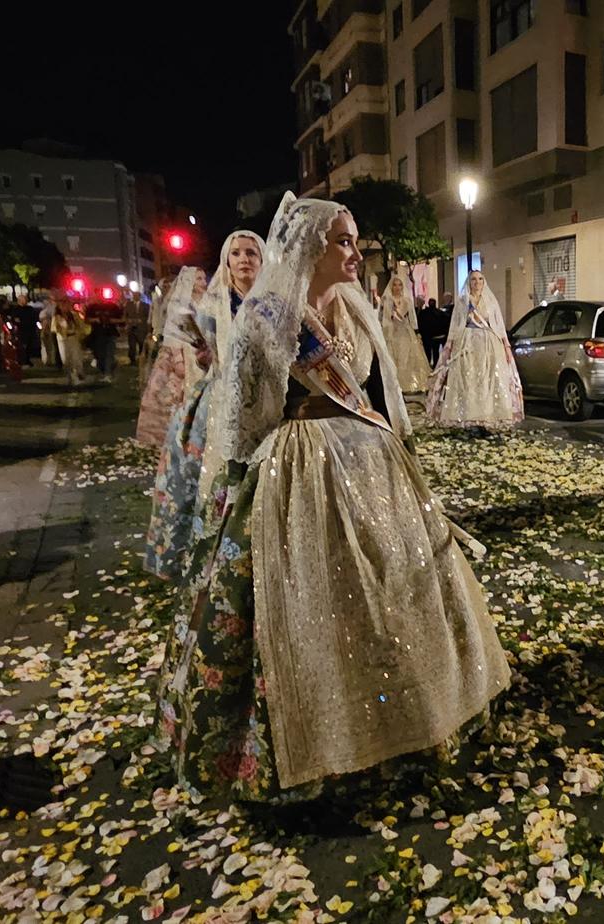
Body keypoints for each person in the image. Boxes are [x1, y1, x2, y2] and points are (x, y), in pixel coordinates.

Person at [157, 193, 510, 804]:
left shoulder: (351, 305)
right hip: (298, 472)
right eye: (344, 241)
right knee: (314, 601)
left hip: (367, 462)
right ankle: (320, 749)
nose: (356, 251)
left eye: (355, 240)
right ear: (311, 247)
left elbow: (374, 385)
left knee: (394, 591)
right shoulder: (267, 314)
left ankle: (408, 722)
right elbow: (245, 419)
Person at [144, 230, 265, 581]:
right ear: (227, 261)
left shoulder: (270, 303)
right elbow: (208, 359)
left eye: (251, 253)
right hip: (218, 399)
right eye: (237, 253)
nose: (244, 260)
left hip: (259, 401)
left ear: (262, 260)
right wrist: (205, 354)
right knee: (205, 480)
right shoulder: (213, 304)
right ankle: (205, 556)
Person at [427, 272, 524, 429]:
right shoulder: (463, 301)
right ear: (469, 282)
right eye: (473, 279)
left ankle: (487, 415)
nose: (477, 282)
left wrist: (506, 346)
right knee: (469, 378)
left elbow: (498, 324)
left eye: (480, 279)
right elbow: (455, 324)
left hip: (488, 344)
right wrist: (450, 344)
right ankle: (469, 416)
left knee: (488, 379)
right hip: (468, 343)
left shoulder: (490, 301)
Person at [135, 269, 208, 446]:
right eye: (199, 279)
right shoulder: (179, 304)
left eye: (204, 278)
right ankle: (179, 436)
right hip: (182, 354)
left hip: (201, 354)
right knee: (179, 399)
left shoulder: (207, 302)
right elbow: (173, 335)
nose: (203, 282)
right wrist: (179, 360)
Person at [380, 273, 433, 393]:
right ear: (391, 286)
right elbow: (383, 318)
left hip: (405, 332)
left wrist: (416, 332)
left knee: (406, 358)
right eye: (395, 285)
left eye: (400, 285)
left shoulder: (407, 301)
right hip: (391, 333)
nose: (397, 287)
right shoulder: (387, 300)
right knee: (392, 358)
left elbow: (412, 318)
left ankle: (406, 384)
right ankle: (393, 384)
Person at [52, 299, 92, 386]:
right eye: (63, 305)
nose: (65, 307)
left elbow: (81, 325)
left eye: (67, 305)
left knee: (76, 358)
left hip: (73, 338)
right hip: (62, 339)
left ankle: (77, 375)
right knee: (66, 359)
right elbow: (54, 329)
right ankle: (70, 377)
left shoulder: (74, 315)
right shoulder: (57, 317)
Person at [86, 301, 121, 384]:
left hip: (110, 334)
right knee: (100, 355)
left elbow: (121, 319)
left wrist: (111, 321)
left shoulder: (113, 307)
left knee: (109, 354)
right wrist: (95, 320)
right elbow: (86, 319)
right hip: (97, 335)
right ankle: (104, 371)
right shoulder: (92, 307)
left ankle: (107, 374)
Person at [39, 294, 62, 368]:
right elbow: (42, 317)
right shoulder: (47, 309)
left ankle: (56, 361)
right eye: (52, 300)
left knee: (55, 346)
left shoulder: (57, 308)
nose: (53, 301)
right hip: (48, 330)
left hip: (56, 330)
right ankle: (51, 361)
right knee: (49, 346)